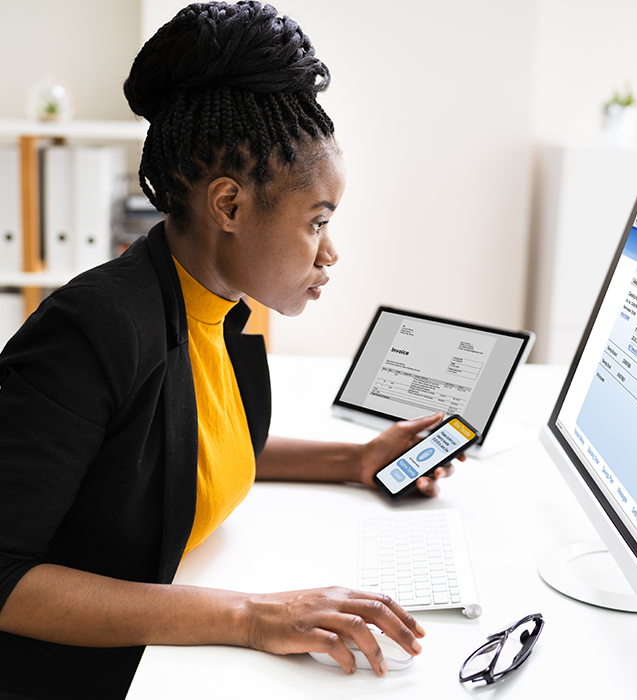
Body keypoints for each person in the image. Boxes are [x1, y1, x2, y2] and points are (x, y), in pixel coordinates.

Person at [0, 4, 451, 697]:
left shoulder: (211, 310)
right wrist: (252, 615)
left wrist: (351, 459)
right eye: (317, 222)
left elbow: (175, 450)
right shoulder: (94, 329)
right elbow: (5, 578)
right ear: (230, 206)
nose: (330, 252)